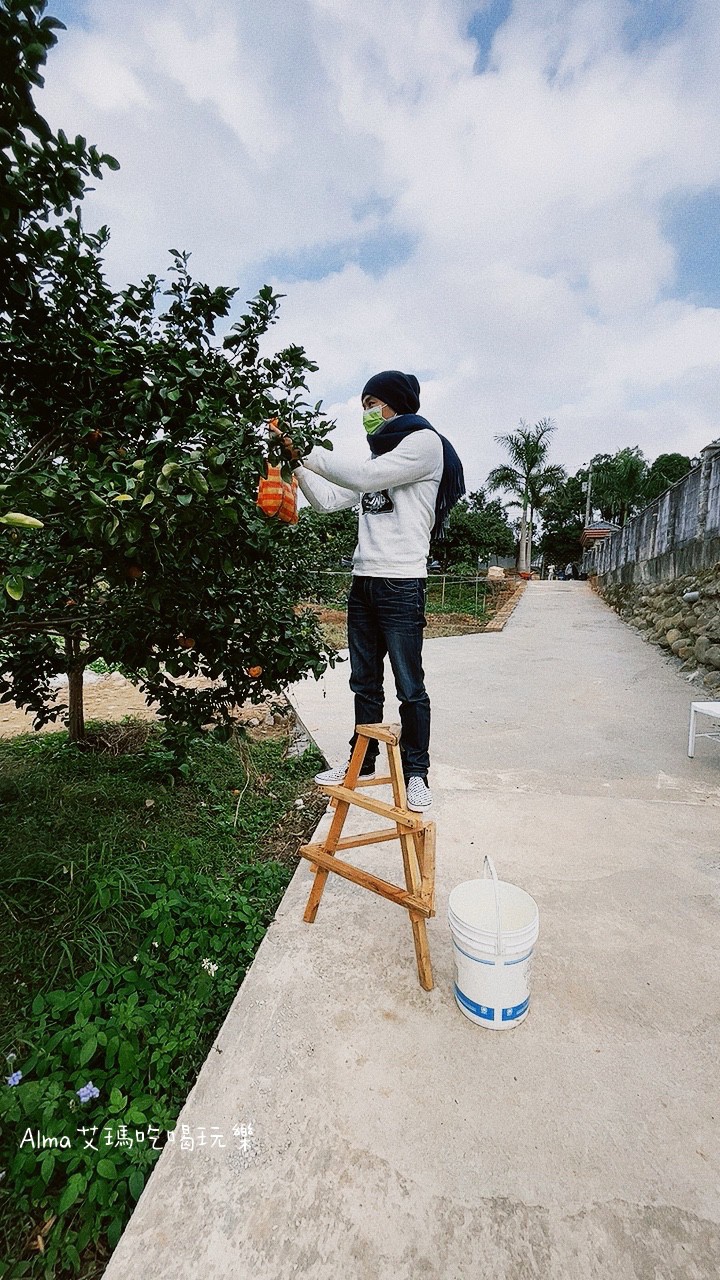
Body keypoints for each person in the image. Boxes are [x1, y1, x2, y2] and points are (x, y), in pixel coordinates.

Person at [272, 370, 465, 812]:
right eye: (363, 407)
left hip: (401, 582)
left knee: (409, 687)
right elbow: (327, 499)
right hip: (364, 582)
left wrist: (310, 450)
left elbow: (359, 478)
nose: (367, 414)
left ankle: (417, 772)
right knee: (364, 682)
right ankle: (363, 762)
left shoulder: (424, 445)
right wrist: (296, 464)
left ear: (396, 403)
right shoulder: (376, 464)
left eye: (371, 404)